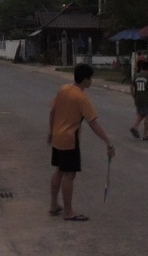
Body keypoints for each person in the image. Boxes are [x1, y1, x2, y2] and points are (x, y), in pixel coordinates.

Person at [47, 64, 115, 222]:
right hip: (70, 139)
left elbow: (53, 112)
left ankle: (53, 204)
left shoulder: (63, 89)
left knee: (59, 170)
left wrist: (51, 132)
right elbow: (93, 123)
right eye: (91, 78)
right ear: (85, 80)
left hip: (57, 137)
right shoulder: (81, 98)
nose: (91, 81)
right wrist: (108, 141)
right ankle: (68, 211)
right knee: (69, 175)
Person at [129, 59, 148, 140]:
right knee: (147, 115)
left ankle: (135, 127)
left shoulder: (137, 76)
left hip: (138, 98)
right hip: (146, 99)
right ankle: (145, 135)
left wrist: (134, 97)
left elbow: (131, 87)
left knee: (141, 114)